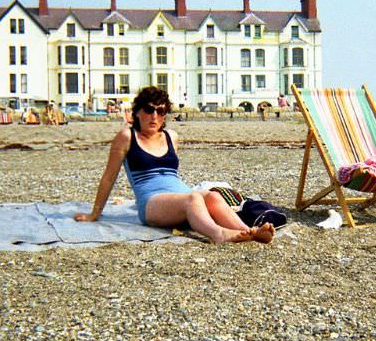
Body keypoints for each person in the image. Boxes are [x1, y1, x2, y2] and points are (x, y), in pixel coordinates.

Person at [75, 86, 275, 244]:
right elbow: (109, 176)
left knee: (212, 196)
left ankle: (248, 231)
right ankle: (218, 234)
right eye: (149, 110)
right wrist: (95, 213)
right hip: (152, 203)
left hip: (181, 197)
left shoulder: (172, 136)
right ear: (137, 113)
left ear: (165, 115)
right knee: (193, 198)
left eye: (160, 111)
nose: (154, 116)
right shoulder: (127, 136)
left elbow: (172, 175)